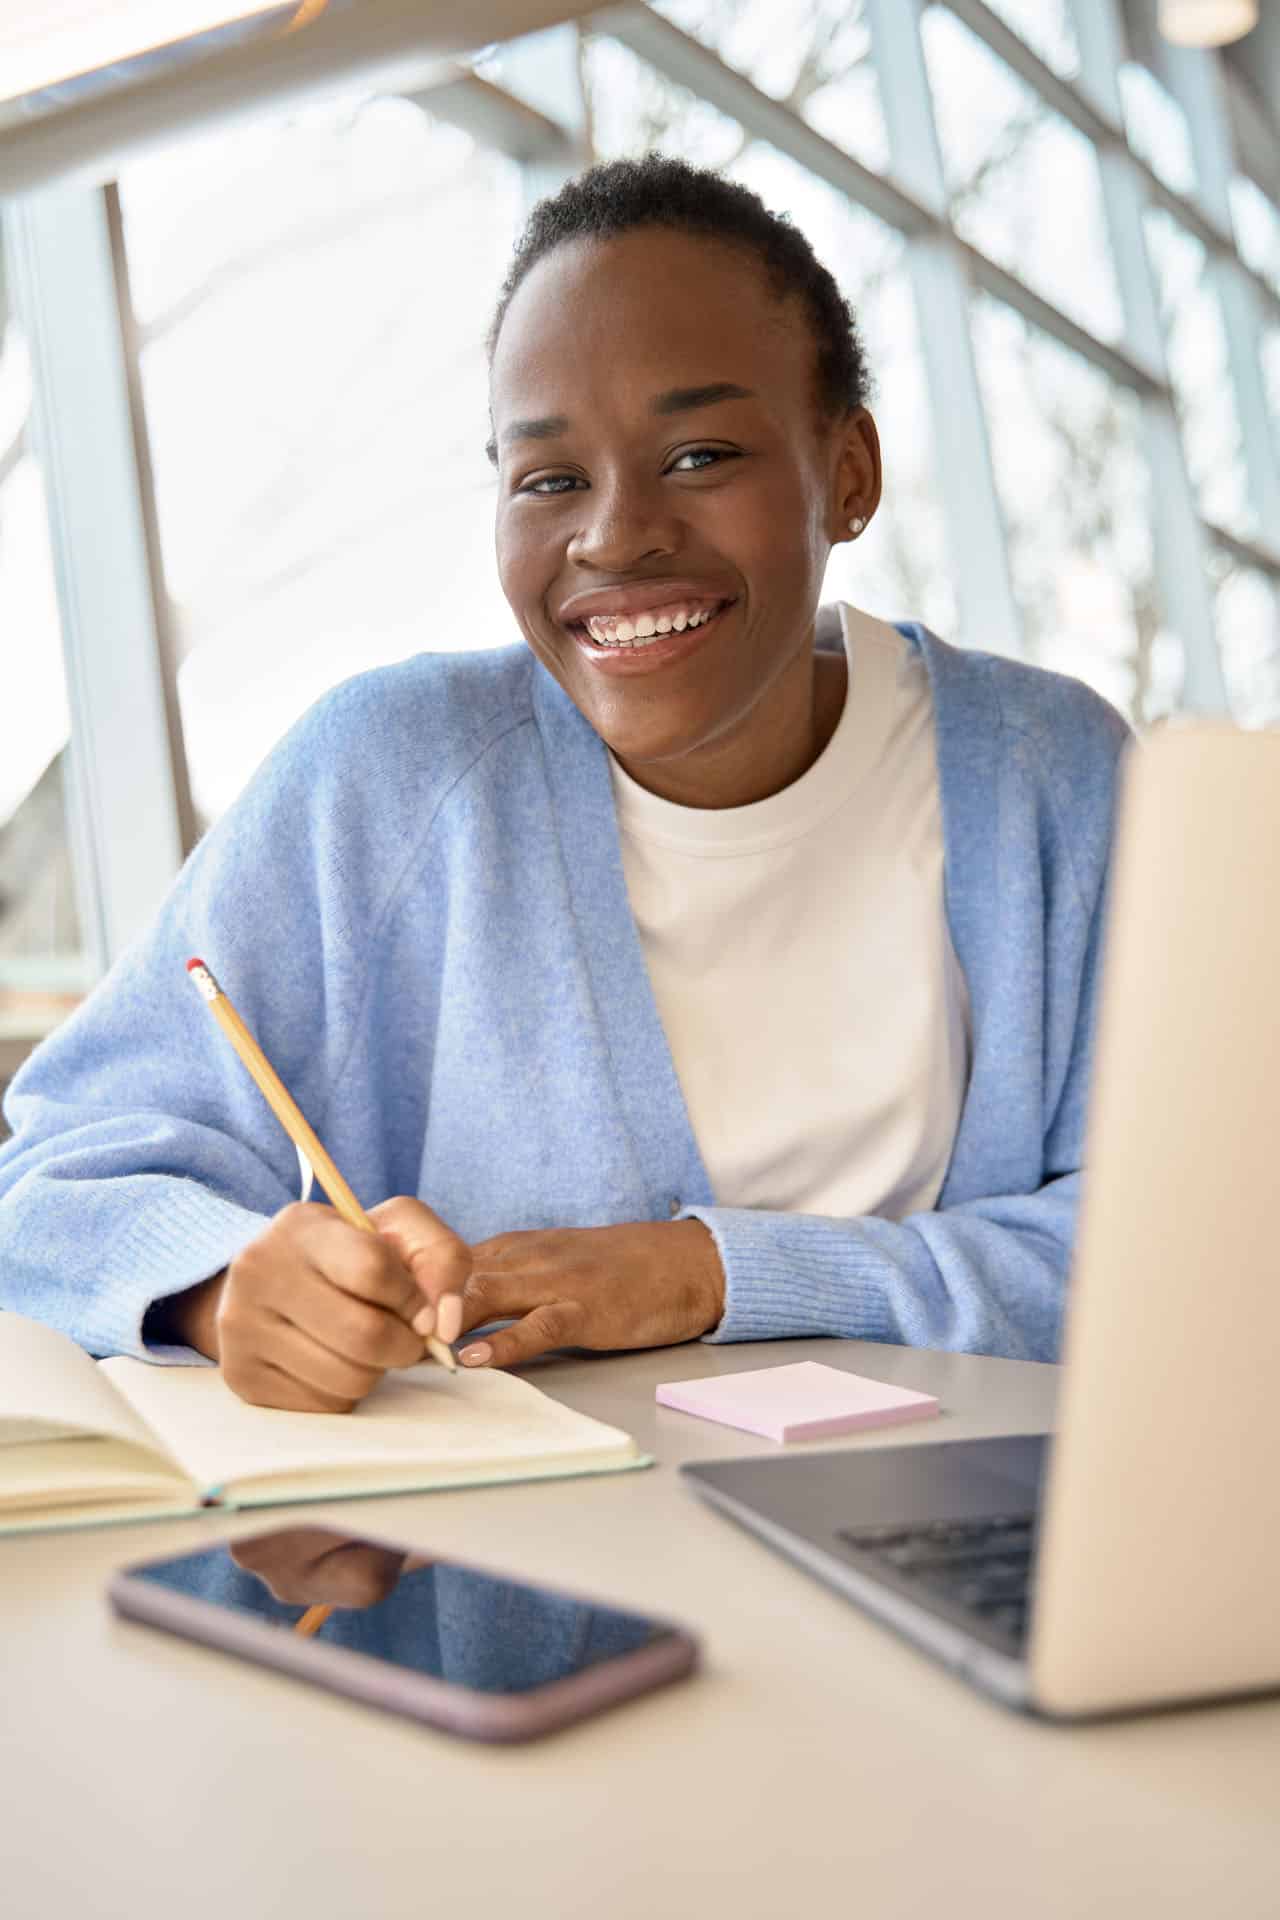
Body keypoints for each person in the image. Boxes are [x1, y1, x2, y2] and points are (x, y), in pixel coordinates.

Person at [0, 155, 1129, 1413]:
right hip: (510, 1579)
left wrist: (713, 1273)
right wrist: (218, 1291)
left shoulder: (1053, 779)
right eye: (547, 479)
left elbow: (1174, 1248)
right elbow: (54, 1182)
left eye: (698, 454)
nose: (610, 534)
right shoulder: (382, 779)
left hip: (981, 1557)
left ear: (846, 473)